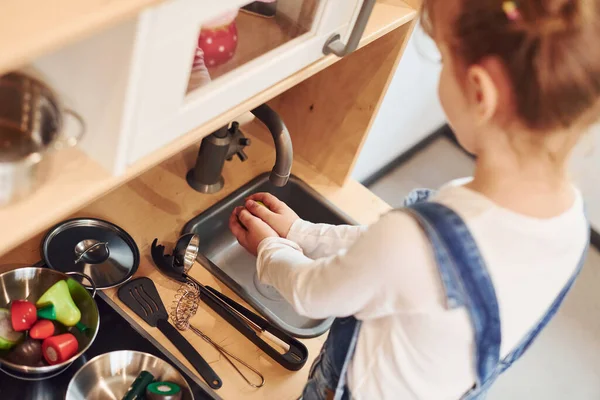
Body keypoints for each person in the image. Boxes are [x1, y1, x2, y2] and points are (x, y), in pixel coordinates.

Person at [229, 0, 600, 398]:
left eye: (442, 57)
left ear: (478, 92)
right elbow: (388, 255)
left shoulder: (413, 240)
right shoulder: (568, 222)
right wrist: (302, 232)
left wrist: (269, 249)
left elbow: (312, 293)